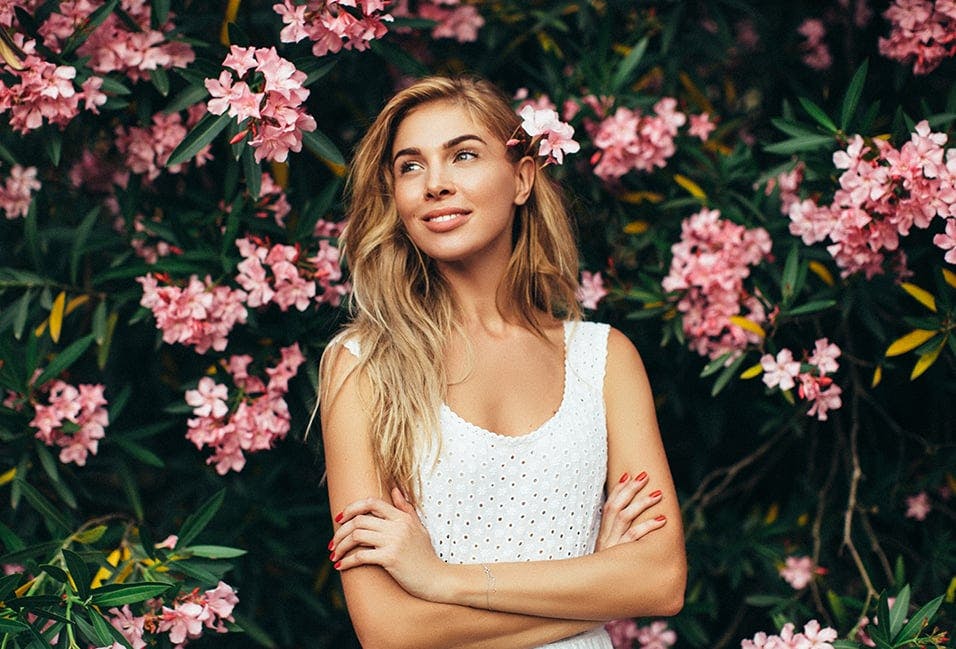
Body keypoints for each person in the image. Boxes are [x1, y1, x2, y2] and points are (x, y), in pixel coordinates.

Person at [319, 75, 686, 649]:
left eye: (463, 155)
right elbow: (390, 632)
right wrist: (604, 585)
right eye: (410, 167)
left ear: (521, 178)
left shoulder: (604, 359)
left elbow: (661, 581)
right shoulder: (363, 366)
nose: (435, 184)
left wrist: (440, 579)